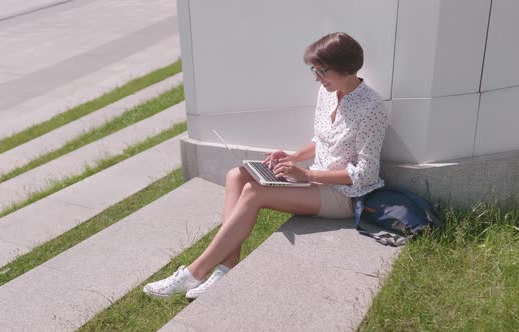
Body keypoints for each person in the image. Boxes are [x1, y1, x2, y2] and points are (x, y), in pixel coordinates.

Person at [143, 32, 389, 300]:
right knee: (237, 175)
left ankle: (193, 274)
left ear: (345, 67)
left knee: (255, 192)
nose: (316, 78)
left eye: (322, 71)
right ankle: (227, 266)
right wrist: (293, 158)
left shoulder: (371, 107)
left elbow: (365, 174)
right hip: (315, 181)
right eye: (314, 70)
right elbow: (322, 140)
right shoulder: (327, 93)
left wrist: (306, 173)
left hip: (345, 196)